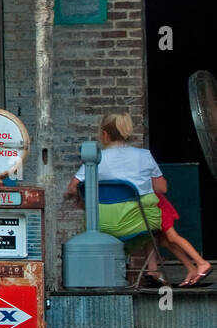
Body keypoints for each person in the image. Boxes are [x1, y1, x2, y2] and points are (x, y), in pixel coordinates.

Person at [65, 113, 211, 287]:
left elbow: (73, 188)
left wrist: (86, 203)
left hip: (101, 225)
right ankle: (155, 268)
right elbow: (162, 189)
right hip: (139, 223)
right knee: (149, 221)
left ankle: (152, 269)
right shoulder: (143, 155)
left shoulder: (96, 160)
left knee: (147, 222)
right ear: (128, 132)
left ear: (104, 134)